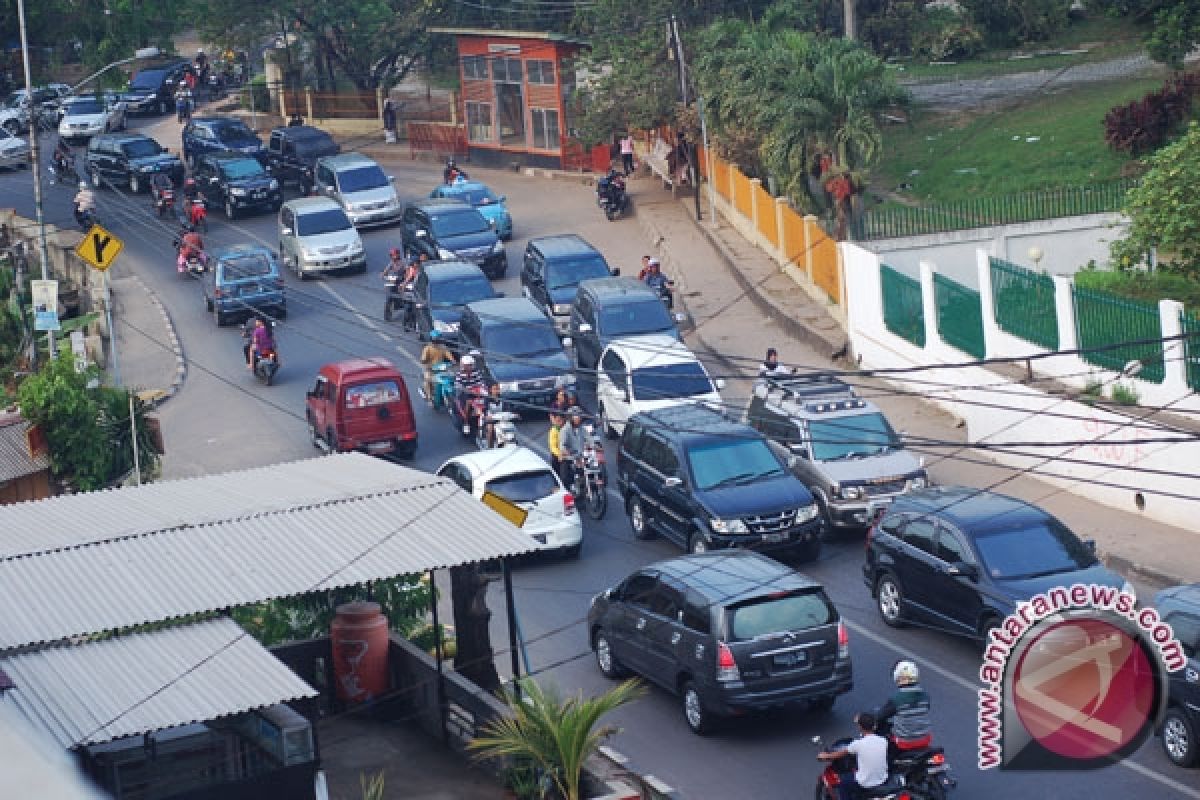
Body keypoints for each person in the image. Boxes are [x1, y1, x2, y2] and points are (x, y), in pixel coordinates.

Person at [817, 712, 889, 800]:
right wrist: (859, 720)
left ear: (860, 727)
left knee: (843, 782)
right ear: (874, 726)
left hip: (865, 782)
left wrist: (825, 756)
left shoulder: (857, 744)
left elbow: (837, 754)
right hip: (882, 779)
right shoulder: (883, 741)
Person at [876, 660, 933, 755]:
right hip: (925, 739)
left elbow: (880, 716)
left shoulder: (896, 699)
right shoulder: (926, 696)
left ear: (898, 677)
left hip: (904, 742)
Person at [557, 406, 589, 491]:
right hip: (568, 459)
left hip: (579, 457)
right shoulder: (565, 430)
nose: (579, 419)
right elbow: (562, 445)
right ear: (571, 418)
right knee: (565, 479)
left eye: (580, 416)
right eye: (577, 417)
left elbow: (589, 439)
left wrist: (595, 446)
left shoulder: (582, 429)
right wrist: (566, 452)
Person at [419, 329, 456, 403]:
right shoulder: (427, 348)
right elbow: (423, 359)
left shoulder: (442, 347)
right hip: (430, 369)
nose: (436, 341)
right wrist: (425, 362)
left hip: (441, 368)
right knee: (427, 380)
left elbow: (448, 354)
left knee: (453, 377)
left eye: (438, 339)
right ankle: (429, 397)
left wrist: (453, 361)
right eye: (435, 339)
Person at [453, 354, 486, 432]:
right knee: (468, 402)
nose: (469, 367)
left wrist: (482, 389)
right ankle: (466, 422)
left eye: (470, 365)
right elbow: (458, 385)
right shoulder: (459, 374)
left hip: (476, 392)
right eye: (467, 365)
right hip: (464, 394)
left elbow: (481, 382)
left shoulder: (476, 372)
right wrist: (468, 390)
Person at [548, 411, 564, 476]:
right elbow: (553, 447)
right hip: (557, 456)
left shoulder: (566, 429)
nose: (559, 422)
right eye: (557, 420)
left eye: (560, 420)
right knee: (558, 475)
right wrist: (560, 454)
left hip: (567, 454)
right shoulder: (554, 431)